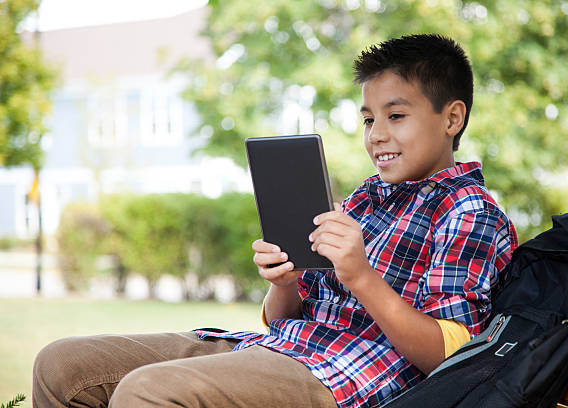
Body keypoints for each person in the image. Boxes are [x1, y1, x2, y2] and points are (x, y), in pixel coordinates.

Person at [32, 34, 518, 408]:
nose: (376, 135)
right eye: (368, 119)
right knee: (62, 365)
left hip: (351, 377)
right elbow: (286, 317)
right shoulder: (364, 199)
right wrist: (287, 282)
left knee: (148, 393)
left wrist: (362, 277)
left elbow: (451, 357)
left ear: (452, 118)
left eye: (396, 116)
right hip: (281, 347)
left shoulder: (469, 212)